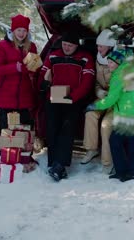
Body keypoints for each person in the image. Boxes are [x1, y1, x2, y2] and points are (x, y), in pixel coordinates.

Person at [38, 33, 95, 182]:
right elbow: (43, 72)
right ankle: (53, 163)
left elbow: (87, 82)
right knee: (51, 129)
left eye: (70, 45)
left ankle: (60, 165)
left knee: (67, 130)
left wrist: (74, 97)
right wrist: (43, 84)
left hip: (73, 100)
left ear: (77, 45)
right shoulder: (53, 55)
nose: (66, 48)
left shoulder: (85, 58)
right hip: (53, 97)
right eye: (64, 44)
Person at [86, 50, 134, 182]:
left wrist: (95, 106)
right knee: (115, 141)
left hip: (131, 116)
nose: (109, 64)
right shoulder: (123, 71)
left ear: (119, 63)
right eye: (109, 62)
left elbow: (111, 99)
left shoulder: (120, 75)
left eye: (112, 62)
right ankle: (121, 171)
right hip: (124, 115)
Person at [0, 14, 38, 173]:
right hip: (7, 95)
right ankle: (6, 154)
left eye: (24, 30)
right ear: (13, 30)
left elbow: (34, 67)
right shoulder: (3, 45)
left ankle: (25, 155)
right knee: (7, 127)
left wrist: (33, 69)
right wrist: (15, 67)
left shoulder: (31, 47)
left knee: (25, 126)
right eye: (19, 30)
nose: (21, 33)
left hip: (25, 94)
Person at [80, 30, 117, 172]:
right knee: (90, 114)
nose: (98, 48)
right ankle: (91, 149)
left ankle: (107, 162)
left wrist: (110, 95)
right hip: (102, 98)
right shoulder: (97, 59)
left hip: (116, 101)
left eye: (101, 46)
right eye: (98, 46)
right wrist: (99, 92)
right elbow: (96, 82)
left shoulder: (118, 60)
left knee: (106, 125)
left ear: (110, 46)